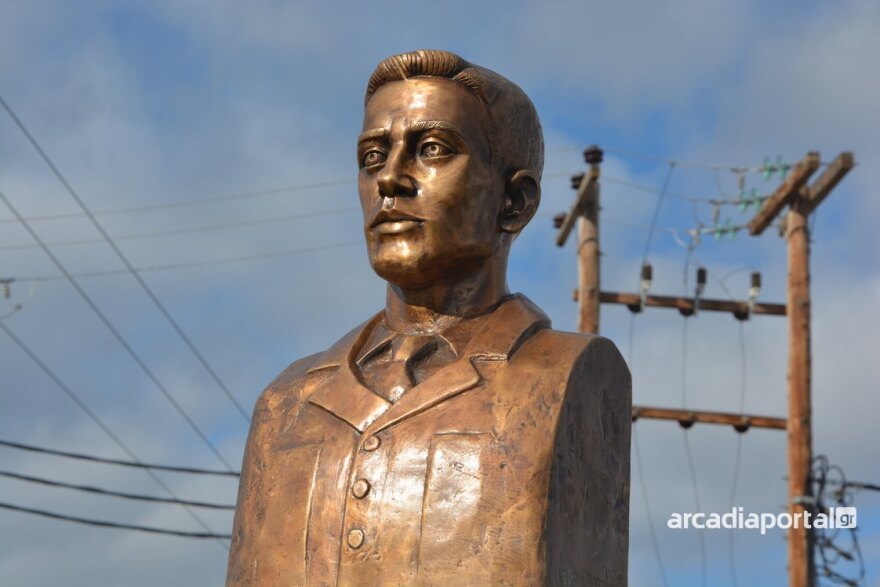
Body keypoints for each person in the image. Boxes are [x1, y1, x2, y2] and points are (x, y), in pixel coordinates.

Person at [227, 49, 631, 587]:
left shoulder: (565, 373)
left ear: (514, 201)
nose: (390, 180)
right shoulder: (285, 401)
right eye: (372, 157)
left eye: (433, 149)